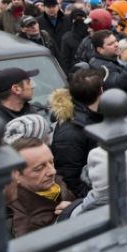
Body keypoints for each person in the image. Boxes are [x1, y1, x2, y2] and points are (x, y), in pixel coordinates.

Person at [50, 68, 105, 197]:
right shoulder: (70, 133)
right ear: (101, 91)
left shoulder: (98, 115)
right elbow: (69, 180)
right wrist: (95, 198)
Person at [4, 137, 74, 237]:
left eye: (51, 162)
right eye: (39, 168)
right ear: (16, 175)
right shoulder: (26, 225)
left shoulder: (48, 183)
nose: (53, 171)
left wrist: (75, 207)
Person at [88, 30, 127, 96]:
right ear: (100, 49)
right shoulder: (102, 66)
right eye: (110, 44)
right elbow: (120, 84)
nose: (116, 45)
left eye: (115, 41)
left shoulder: (109, 59)